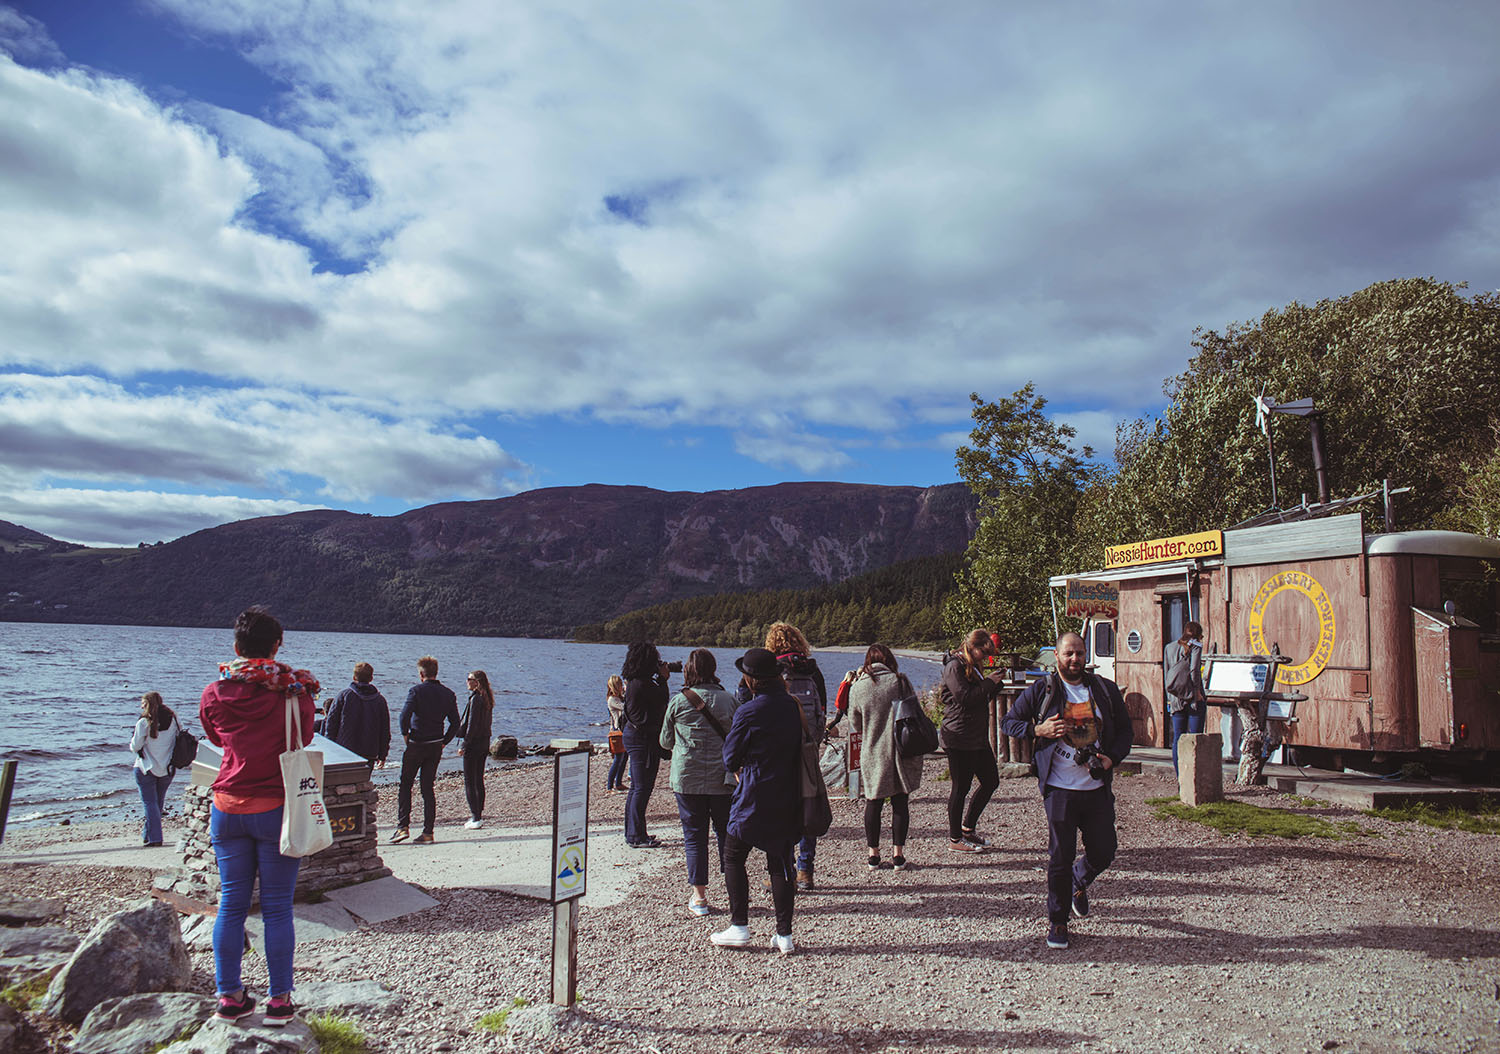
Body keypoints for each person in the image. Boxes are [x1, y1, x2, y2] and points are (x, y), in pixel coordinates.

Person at [199, 606, 317, 1027]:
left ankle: (230, 997)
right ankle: (279, 1002)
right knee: (277, 909)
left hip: (226, 807)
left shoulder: (214, 692)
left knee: (230, 905)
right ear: (276, 646)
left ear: (236, 648)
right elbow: (303, 738)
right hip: (275, 808)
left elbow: (215, 738)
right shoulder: (294, 693)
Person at [1001, 631, 1133, 951]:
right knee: (1060, 856)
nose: (1075, 659)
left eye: (1079, 653)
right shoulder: (1043, 690)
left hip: (1096, 785)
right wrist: (1038, 729)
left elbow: (1126, 731)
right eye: (1068, 654)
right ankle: (1058, 920)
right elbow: (1009, 722)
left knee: (1104, 850)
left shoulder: (1104, 689)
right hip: (1059, 788)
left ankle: (1079, 880)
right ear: (1056, 657)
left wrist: (1112, 757)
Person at [712, 647, 802, 954]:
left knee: (733, 854)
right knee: (780, 860)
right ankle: (784, 935)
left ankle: (739, 926)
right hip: (787, 791)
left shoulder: (748, 711)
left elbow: (729, 758)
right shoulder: (791, 705)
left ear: (752, 680)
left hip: (753, 792)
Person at [737, 622, 825, 890]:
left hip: (774, 747)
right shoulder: (812, 669)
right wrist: (813, 742)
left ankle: (784, 868)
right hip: (806, 746)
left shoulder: (766, 669)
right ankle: (805, 869)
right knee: (807, 801)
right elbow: (821, 706)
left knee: (778, 806)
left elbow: (744, 702)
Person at [660, 649, 738, 917]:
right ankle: (734, 891)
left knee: (694, 837)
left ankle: (700, 898)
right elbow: (738, 739)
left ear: (688, 671)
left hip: (687, 779)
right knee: (726, 833)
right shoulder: (730, 700)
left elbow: (665, 742)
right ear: (714, 668)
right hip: (722, 778)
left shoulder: (678, 702)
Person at [848, 645, 923, 871]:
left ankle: (873, 855)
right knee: (900, 802)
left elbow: (855, 723)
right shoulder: (900, 681)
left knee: (873, 802)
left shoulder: (858, 687)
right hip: (901, 749)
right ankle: (898, 855)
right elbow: (915, 710)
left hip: (873, 751)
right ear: (889, 660)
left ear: (867, 661)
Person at [940, 629, 1005, 853]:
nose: (984, 658)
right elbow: (965, 698)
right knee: (961, 787)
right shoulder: (954, 666)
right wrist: (988, 683)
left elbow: (979, 697)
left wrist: (994, 685)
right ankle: (955, 839)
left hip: (975, 735)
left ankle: (968, 828)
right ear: (971, 646)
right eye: (982, 652)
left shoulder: (973, 666)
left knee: (991, 781)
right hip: (958, 735)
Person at [392, 655, 460, 845]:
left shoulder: (416, 691)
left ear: (421, 674)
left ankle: (402, 826)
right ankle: (428, 831)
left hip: (417, 743)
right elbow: (456, 723)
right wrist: (445, 741)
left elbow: (403, 717)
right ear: (435, 672)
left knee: (406, 784)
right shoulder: (448, 694)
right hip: (435, 745)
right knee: (427, 788)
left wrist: (405, 735)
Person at [621, 642, 672, 848]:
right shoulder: (643, 684)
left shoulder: (634, 682)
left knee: (637, 788)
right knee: (642, 788)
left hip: (634, 736)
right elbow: (662, 701)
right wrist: (663, 679)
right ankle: (635, 836)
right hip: (643, 740)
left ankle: (635, 832)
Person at [129, 691, 179, 847]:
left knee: (150, 803)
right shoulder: (173, 719)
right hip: (167, 767)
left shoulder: (143, 723)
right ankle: (148, 834)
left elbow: (135, 746)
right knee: (157, 803)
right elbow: (179, 736)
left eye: (143, 703)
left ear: (148, 704)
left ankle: (155, 838)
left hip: (146, 767)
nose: (140, 706)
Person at [323, 662, 390, 769]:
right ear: (371, 678)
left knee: (343, 784)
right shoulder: (380, 700)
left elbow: (331, 724)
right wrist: (383, 754)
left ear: (354, 677)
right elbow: (385, 730)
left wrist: (329, 749)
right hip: (369, 752)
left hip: (344, 751)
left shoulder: (343, 696)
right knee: (363, 782)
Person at [1164, 622, 1207, 772]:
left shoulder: (1169, 647)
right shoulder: (1195, 647)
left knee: (1178, 737)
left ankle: (1180, 777)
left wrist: (1169, 697)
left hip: (1175, 697)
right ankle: (1194, 776)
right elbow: (1195, 670)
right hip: (1192, 698)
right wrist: (1197, 693)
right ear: (1198, 634)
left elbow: (1167, 673)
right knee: (1196, 737)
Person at [459, 670, 494, 829]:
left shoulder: (476, 699)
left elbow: (472, 725)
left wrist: (464, 745)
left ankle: (475, 816)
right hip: (484, 743)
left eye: (469, 679)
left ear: (477, 682)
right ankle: (478, 813)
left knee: (469, 780)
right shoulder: (487, 699)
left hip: (474, 744)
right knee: (478, 779)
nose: (467, 681)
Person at [605, 675, 629, 794]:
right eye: (620, 685)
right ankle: (609, 786)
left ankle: (618, 783)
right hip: (616, 732)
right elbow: (626, 708)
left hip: (622, 731)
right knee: (618, 759)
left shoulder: (618, 698)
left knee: (624, 757)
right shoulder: (613, 700)